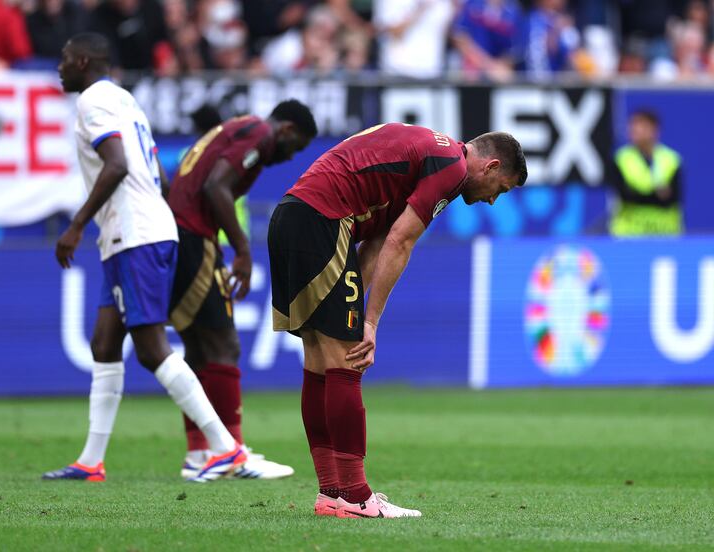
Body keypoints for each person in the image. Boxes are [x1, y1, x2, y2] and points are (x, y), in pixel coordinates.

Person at [268, 123, 527, 518]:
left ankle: (333, 494)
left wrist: (354, 312)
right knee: (347, 362)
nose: (493, 201)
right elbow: (400, 242)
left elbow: (376, 242)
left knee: (320, 361)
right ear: (490, 166)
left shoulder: (428, 152)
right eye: (501, 190)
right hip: (323, 221)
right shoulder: (451, 168)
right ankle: (357, 497)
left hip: (293, 216)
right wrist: (368, 324)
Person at [42, 32, 244, 483]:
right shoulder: (126, 100)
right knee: (104, 343)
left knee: (152, 349)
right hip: (137, 231)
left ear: (83, 61)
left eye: (65, 58)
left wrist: (77, 225)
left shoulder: (93, 101)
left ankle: (226, 449)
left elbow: (116, 164)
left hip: (136, 234)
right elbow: (155, 174)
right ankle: (91, 461)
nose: (59, 66)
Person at [166, 99, 317, 479]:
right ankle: (232, 453)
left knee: (198, 347)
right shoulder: (260, 134)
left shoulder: (238, 126)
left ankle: (200, 453)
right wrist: (243, 250)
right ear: (286, 130)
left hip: (177, 234)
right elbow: (216, 185)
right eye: (295, 146)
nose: (289, 157)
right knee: (224, 345)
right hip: (193, 237)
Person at [609, 110, 683, 236]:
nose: (636, 131)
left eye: (643, 126)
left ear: (655, 130)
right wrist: (657, 194)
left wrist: (637, 193)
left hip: (665, 234)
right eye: (633, 126)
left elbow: (672, 199)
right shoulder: (621, 159)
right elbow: (625, 196)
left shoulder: (671, 159)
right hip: (628, 234)